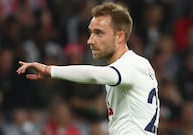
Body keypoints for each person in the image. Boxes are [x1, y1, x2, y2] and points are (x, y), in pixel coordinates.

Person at [17, 2, 160, 135]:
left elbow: (95, 76)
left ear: (119, 37)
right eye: (91, 33)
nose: (90, 40)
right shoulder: (141, 65)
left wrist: (51, 70)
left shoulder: (129, 65)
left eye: (99, 33)